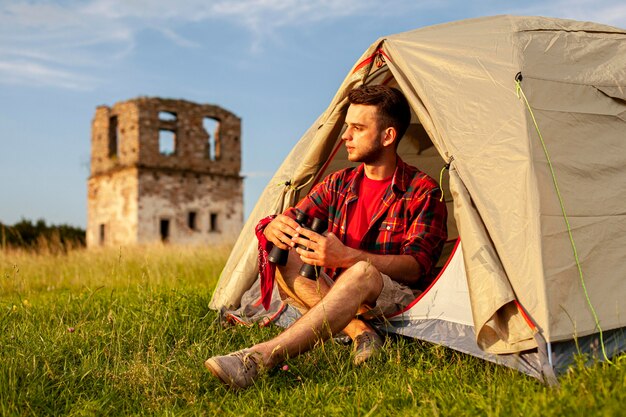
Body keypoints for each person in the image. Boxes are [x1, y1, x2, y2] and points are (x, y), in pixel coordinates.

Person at [205, 84, 448, 389]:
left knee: (360, 272)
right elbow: (292, 220)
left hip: (394, 297)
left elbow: (417, 267)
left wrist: (347, 257)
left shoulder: (423, 191)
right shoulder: (339, 184)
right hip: (333, 290)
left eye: (357, 128)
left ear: (387, 136)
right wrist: (273, 228)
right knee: (283, 253)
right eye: (347, 126)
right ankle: (360, 332)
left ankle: (256, 359)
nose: (345, 135)